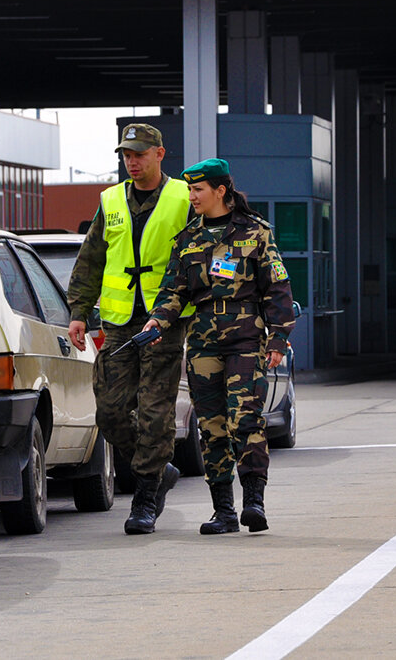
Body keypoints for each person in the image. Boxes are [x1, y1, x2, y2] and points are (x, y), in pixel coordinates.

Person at [141, 158, 295, 534]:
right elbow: (172, 292)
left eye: (198, 190)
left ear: (220, 191)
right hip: (203, 341)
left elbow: (277, 288)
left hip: (245, 338)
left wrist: (278, 337)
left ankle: (254, 503)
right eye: (190, 189)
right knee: (211, 427)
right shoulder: (188, 239)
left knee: (245, 419)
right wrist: (157, 320)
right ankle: (223, 511)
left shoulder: (255, 232)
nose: (191, 196)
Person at [65, 123, 194, 535]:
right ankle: (160, 468)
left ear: (160, 154)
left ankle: (146, 496)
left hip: (165, 320)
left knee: (156, 411)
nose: (132, 162)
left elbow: (201, 256)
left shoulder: (182, 197)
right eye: (126, 155)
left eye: (139, 154)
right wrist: (79, 311)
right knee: (110, 411)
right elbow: (91, 259)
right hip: (120, 322)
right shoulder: (111, 200)